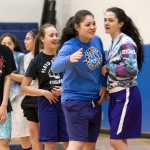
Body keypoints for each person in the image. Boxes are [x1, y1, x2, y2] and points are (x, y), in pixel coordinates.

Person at [51, 10, 107, 150]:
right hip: (75, 101)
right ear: (77, 27)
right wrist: (69, 59)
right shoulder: (70, 46)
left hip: (94, 101)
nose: (92, 27)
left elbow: (103, 66)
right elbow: (55, 67)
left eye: (94, 23)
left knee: (90, 145)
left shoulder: (97, 40)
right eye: (88, 24)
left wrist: (103, 86)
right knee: (77, 143)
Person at [101, 7, 144, 150]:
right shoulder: (114, 43)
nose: (107, 23)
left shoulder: (126, 41)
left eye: (111, 20)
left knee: (115, 141)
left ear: (121, 23)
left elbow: (132, 69)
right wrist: (107, 88)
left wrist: (109, 68)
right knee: (120, 139)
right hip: (116, 95)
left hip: (126, 94)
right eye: (105, 20)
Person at [21, 23, 68, 150]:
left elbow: (75, 80)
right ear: (42, 38)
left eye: (56, 35)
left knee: (69, 141)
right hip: (47, 105)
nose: (55, 38)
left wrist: (65, 90)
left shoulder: (65, 56)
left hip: (66, 103)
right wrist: (44, 92)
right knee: (49, 142)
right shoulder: (36, 60)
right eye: (51, 35)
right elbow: (24, 87)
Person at [0, 33, 31, 150]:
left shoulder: (20, 57)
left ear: (14, 45)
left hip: (17, 97)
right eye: (4, 43)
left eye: (9, 43)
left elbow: (26, 78)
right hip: (6, 97)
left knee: (22, 134)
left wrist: (9, 75)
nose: (7, 46)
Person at [21, 29, 43, 150]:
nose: (25, 41)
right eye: (25, 38)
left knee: (44, 135)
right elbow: (26, 80)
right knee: (33, 134)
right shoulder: (26, 57)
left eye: (28, 38)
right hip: (30, 98)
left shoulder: (43, 56)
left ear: (37, 40)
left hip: (42, 97)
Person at [0, 44, 16, 150]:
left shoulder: (5, 51)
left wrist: (4, 105)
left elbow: (8, 78)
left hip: (2, 104)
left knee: (3, 143)